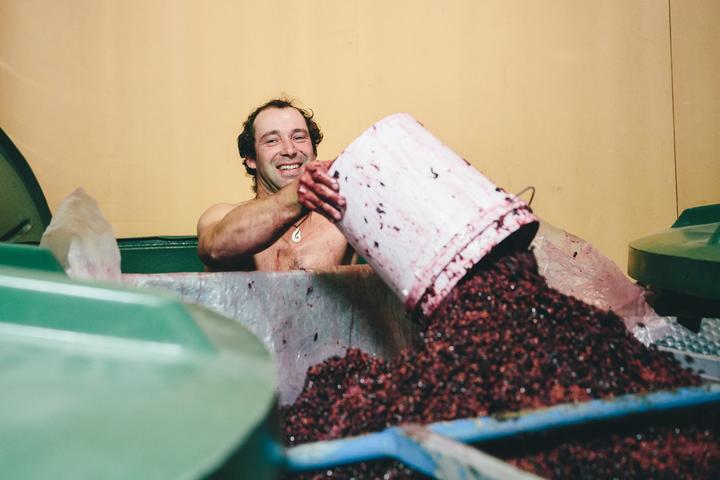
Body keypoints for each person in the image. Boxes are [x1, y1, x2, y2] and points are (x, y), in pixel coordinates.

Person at [197, 99, 355, 271]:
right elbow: (215, 248)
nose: (290, 150)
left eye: (299, 137)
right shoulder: (220, 215)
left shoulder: (343, 219)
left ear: (313, 152)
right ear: (251, 159)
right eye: (272, 140)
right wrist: (297, 195)